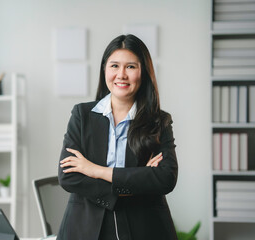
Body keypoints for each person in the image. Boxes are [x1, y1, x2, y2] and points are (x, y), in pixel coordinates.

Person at [57, 34, 178, 240]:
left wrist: (95, 170)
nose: (121, 74)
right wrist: (134, 182)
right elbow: (68, 176)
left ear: (144, 72)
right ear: (105, 69)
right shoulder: (82, 115)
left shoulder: (158, 121)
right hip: (85, 229)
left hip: (144, 228)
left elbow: (165, 179)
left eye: (131, 67)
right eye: (114, 66)